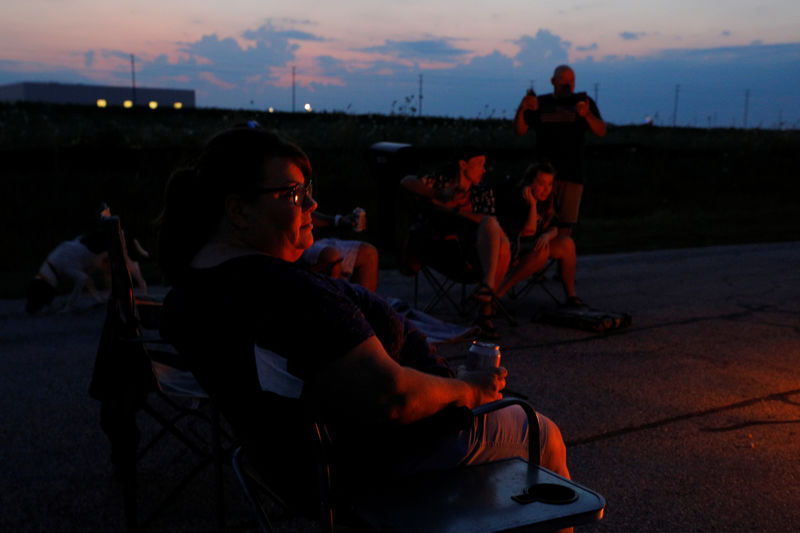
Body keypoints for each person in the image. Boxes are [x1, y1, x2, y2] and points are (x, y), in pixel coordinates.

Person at [156, 127, 569, 512]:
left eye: (308, 190)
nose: (312, 204)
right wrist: (467, 390)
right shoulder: (281, 291)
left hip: (304, 466)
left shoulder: (196, 288)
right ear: (238, 211)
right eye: (294, 194)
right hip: (379, 462)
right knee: (541, 432)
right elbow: (393, 398)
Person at [400, 152, 510, 338]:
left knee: (494, 230)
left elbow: (488, 220)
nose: (483, 169)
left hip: (474, 255)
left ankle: (487, 290)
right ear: (463, 164)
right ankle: (486, 308)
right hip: (443, 252)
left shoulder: (481, 191)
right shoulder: (440, 182)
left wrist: (454, 209)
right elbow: (406, 181)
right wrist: (438, 195)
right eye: (479, 163)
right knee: (501, 242)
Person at [514, 65, 606, 236]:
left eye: (571, 81)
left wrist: (587, 115)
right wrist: (522, 108)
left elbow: (601, 130)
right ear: (552, 81)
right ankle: (535, 259)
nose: (568, 84)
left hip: (571, 176)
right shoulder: (541, 103)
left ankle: (563, 256)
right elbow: (520, 130)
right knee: (537, 226)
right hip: (543, 177)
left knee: (564, 229)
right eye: (563, 80)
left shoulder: (583, 103)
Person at [494, 163, 583, 307]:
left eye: (549, 184)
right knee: (542, 251)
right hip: (514, 247)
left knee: (567, 244)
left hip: (535, 244)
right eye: (541, 183)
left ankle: (571, 296)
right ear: (529, 183)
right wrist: (533, 205)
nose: (546, 189)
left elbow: (554, 227)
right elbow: (529, 231)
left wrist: (546, 236)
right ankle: (498, 294)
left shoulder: (546, 199)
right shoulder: (519, 198)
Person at [300, 209, 379, 292]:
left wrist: (339, 220)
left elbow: (305, 212)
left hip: (315, 240)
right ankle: (336, 302)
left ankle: (363, 304)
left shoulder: (305, 202)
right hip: (298, 245)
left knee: (368, 254)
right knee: (332, 256)